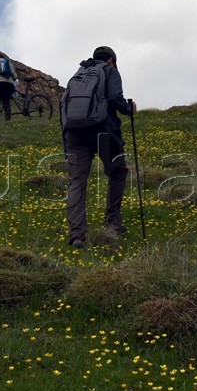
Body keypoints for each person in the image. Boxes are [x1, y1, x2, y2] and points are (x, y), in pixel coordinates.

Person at [63, 46, 136, 247]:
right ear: (111, 59)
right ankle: (112, 222)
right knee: (117, 172)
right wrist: (129, 108)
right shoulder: (110, 71)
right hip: (104, 132)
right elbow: (115, 98)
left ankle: (77, 234)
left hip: (75, 133)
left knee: (77, 182)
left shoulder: (79, 74)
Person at [0, 51, 18, 121]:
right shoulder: (9, 63)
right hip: (9, 84)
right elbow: (14, 75)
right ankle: (8, 119)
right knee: (6, 102)